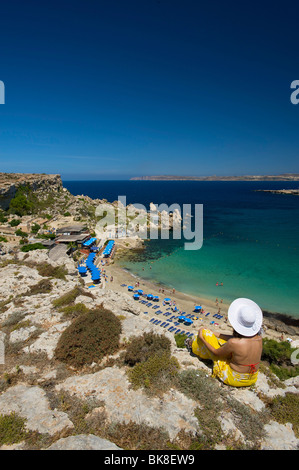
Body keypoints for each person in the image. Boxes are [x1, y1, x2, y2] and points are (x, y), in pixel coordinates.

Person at [185, 298, 263, 387]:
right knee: (221, 341)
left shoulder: (234, 343)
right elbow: (239, 339)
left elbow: (215, 353)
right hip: (252, 379)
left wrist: (202, 338)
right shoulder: (259, 338)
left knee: (205, 333)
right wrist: (215, 333)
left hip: (233, 378)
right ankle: (195, 344)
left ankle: (192, 346)